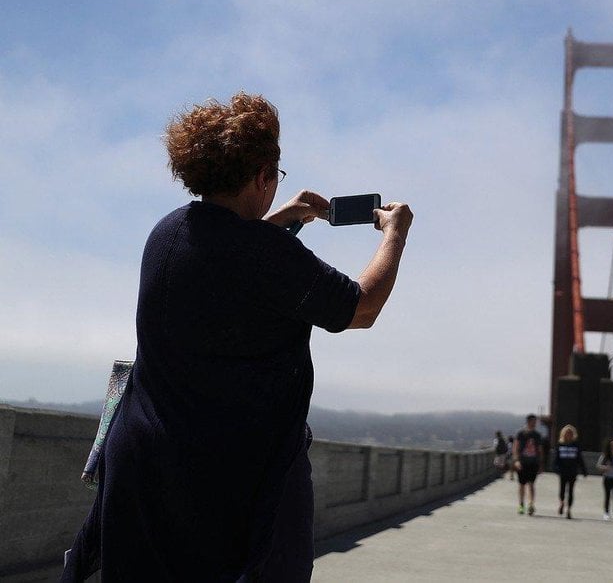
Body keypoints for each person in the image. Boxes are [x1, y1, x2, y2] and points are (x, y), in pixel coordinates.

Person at [61, 92, 413, 582]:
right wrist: (394, 234)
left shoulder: (167, 232)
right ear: (262, 176)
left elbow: (225, 260)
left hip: (143, 468)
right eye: (276, 174)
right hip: (232, 484)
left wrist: (277, 222)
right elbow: (361, 308)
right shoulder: (265, 255)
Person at [552, 424, 587, 520]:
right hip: (563, 471)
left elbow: (580, 458)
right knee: (562, 490)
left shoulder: (576, 445)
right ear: (563, 434)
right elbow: (556, 458)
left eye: (570, 433)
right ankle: (562, 502)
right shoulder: (560, 445)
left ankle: (569, 510)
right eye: (567, 433)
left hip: (572, 471)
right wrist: (555, 468)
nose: (569, 435)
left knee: (571, 491)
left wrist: (584, 470)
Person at [512, 413, 543, 515]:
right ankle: (521, 505)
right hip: (522, 462)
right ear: (528, 422)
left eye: (535, 422)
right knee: (521, 484)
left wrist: (540, 463)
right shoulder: (521, 434)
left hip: (533, 463)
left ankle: (531, 504)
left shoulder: (537, 435)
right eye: (533, 421)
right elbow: (515, 448)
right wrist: (516, 461)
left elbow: (539, 450)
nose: (535, 423)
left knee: (531, 484)